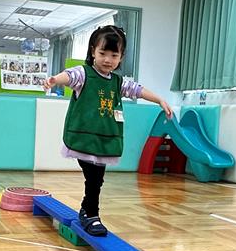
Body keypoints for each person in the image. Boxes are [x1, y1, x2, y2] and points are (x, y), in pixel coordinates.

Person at [44, 24, 172, 236]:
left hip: (104, 140)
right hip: (84, 138)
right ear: (93, 51)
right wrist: (55, 80)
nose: (107, 60)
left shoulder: (118, 82)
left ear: (121, 57)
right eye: (103, 53)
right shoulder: (84, 74)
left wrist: (159, 99)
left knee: (97, 179)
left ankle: (87, 210)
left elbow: (137, 90)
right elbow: (69, 76)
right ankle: (91, 214)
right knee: (94, 178)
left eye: (114, 55)